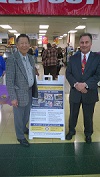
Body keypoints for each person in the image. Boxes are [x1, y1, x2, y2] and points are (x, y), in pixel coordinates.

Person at [65, 33, 100, 143]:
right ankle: (71, 131)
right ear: (79, 43)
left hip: (89, 92)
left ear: (91, 43)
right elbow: (68, 73)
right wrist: (76, 85)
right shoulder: (73, 58)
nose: (84, 45)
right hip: (75, 91)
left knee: (88, 115)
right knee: (73, 114)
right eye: (82, 42)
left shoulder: (97, 58)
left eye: (86, 42)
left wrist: (84, 84)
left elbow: (98, 75)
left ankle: (88, 133)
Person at [6, 34, 38, 147]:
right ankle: (20, 136)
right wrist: (13, 98)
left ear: (29, 44)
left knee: (26, 114)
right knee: (19, 116)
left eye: (26, 43)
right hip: (18, 93)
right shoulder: (12, 59)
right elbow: (9, 81)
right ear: (17, 45)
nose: (24, 45)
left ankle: (24, 128)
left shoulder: (30, 57)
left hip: (29, 91)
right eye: (21, 43)